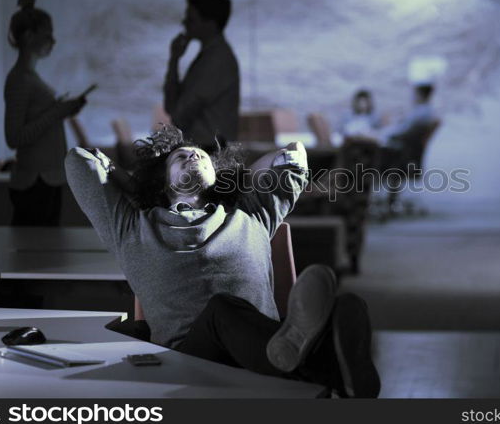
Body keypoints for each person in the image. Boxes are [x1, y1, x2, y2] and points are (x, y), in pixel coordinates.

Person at [65, 125, 380, 397]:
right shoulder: (131, 225)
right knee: (221, 310)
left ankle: (319, 366)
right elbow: (79, 160)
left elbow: (294, 155)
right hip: (189, 358)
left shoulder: (253, 214)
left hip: (258, 345)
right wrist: (137, 188)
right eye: (181, 157)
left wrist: (238, 178)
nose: (193, 156)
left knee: (347, 306)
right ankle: (328, 369)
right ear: (161, 181)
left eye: (201, 157)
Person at [4, 0, 88, 226]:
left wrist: (61, 110)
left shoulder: (29, 78)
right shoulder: (20, 79)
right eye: (48, 34)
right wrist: (58, 112)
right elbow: (14, 137)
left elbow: (37, 120)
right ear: (30, 36)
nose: (53, 41)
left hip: (43, 180)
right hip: (35, 182)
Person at [164, 0, 240, 151]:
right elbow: (173, 109)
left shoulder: (216, 60)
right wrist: (174, 59)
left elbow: (178, 115)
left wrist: (174, 61)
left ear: (210, 23)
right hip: (205, 150)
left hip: (210, 152)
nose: (184, 23)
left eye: (191, 19)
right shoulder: (210, 57)